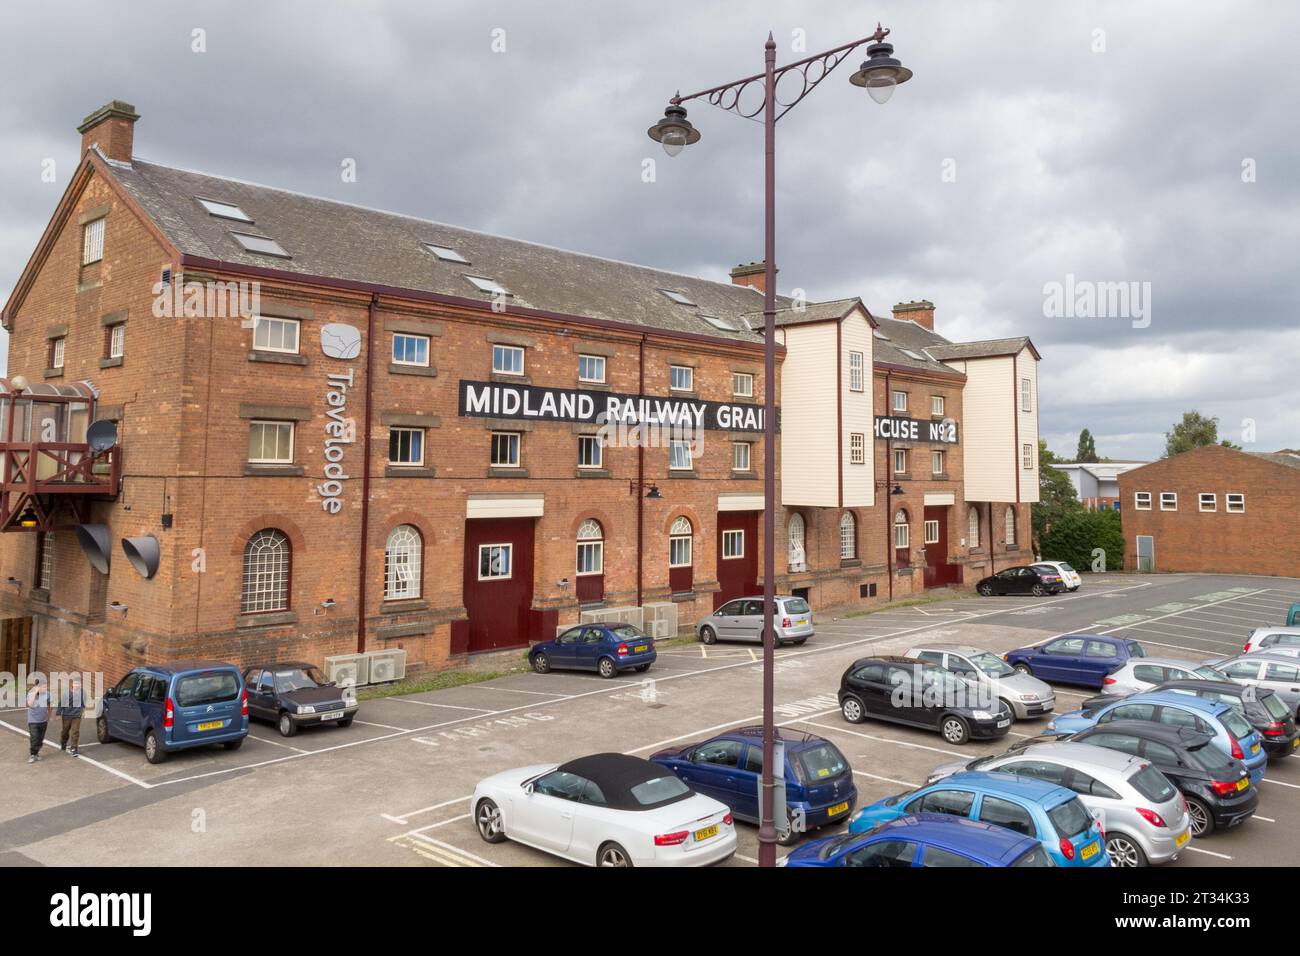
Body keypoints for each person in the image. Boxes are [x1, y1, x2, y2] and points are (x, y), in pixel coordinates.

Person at [58, 674, 86, 757]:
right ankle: (63, 742)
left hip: (77, 715)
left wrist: (83, 711)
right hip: (67, 715)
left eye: (79, 684)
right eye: (75, 684)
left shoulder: (82, 693)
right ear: (72, 684)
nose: (77, 685)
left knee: (75, 731)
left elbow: (83, 703)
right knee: (65, 731)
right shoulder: (66, 694)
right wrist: (59, 713)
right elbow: (61, 704)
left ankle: (74, 748)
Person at [26, 679, 50, 763]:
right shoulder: (31, 694)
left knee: (40, 738)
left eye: (46, 686)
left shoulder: (47, 694)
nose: (45, 688)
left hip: (43, 720)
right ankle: (33, 754)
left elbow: (50, 704)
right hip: (33, 721)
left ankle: (36, 753)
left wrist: (49, 715)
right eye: (43, 687)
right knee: (34, 737)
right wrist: (35, 692)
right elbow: (30, 704)